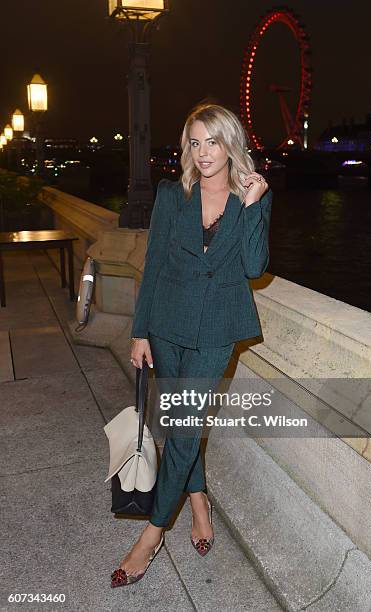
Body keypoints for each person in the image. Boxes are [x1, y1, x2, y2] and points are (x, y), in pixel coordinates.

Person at [111, 102, 272, 587]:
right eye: (195, 142)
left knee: (181, 430)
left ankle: (152, 534)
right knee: (184, 423)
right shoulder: (170, 193)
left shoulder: (253, 194)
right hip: (166, 324)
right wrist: (139, 332)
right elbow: (154, 263)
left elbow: (253, 266)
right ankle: (198, 500)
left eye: (213, 141)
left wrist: (250, 206)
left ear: (231, 145)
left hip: (218, 329)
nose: (203, 153)